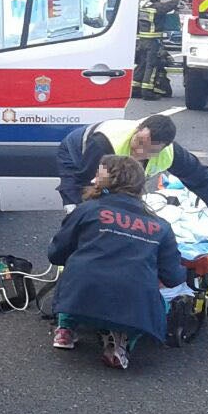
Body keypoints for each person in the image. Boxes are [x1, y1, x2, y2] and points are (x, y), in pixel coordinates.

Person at [47, 155, 184, 369]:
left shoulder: (87, 210)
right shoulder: (162, 226)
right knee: (160, 302)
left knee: (76, 270)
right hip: (133, 302)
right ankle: (121, 341)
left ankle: (65, 327)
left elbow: (56, 254)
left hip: (80, 296)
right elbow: (174, 277)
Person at [57, 114, 208, 217]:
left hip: (107, 164)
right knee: (79, 209)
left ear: (164, 147)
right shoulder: (104, 144)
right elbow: (82, 182)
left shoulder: (171, 152)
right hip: (77, 153)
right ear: (138, 128)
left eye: (149, 151)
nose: (139, 153)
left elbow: (201, 178)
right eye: (139, 142)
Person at [132, 0, 181, 100]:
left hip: (141, 41)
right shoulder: (156, 8)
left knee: (141, 65)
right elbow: (171, 4)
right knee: (151, 66)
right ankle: (147, 92)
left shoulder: (141, 8)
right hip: (153, 42)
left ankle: (135, 88)